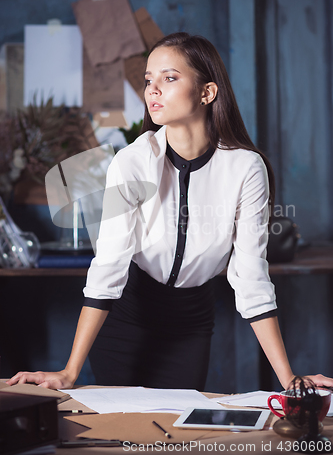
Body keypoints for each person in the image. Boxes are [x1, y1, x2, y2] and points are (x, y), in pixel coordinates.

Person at [7, 33, 333, 391]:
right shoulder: (129, 163)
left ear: (207, 92)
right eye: (149, 80)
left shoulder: (246, 168)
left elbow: (251, 277)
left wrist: (289, 379)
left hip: (191, 324)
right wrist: (69, 372)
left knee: (175, 437)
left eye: (169, 78)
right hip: (127, 317)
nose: (152, 90)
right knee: (120, 439)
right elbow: (109, 266)